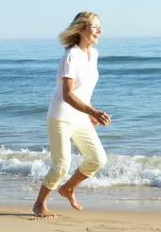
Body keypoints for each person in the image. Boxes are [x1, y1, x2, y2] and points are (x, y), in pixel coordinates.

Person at [33, 11, 111, 217]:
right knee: (61, 166)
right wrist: (92, 110)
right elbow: (67, 94)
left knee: (97, 159)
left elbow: (82, 90)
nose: (99, 31)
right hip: (60, 116)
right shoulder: (70, 57)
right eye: (94, 27)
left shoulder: (93, 54)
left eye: (99, 27)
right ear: (81, 29)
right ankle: (40, 203)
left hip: (80, 116)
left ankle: (68, 189)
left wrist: (89, 111)